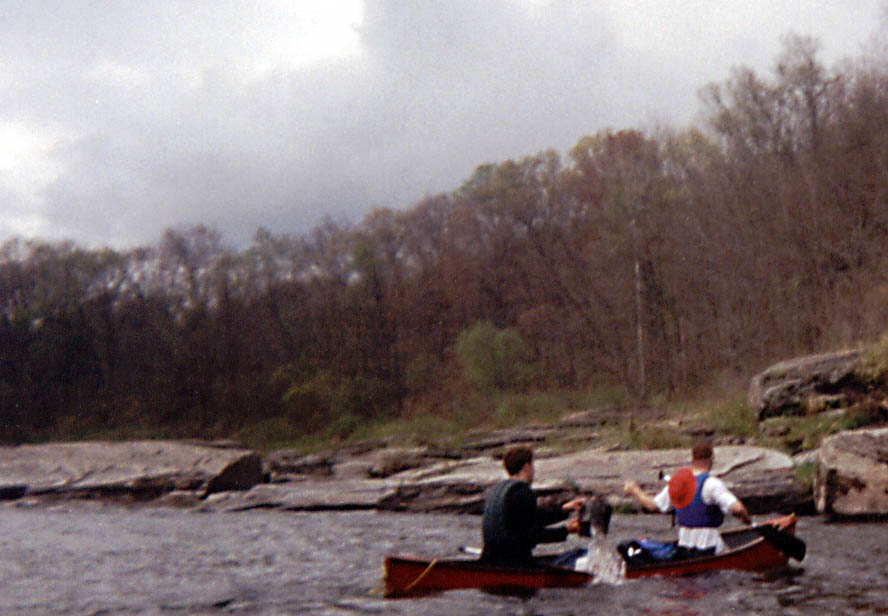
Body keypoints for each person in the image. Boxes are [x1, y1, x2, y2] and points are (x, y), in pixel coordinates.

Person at [623, 440, 752, 558]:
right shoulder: (712, 484)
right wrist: (747, 520)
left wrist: (634, 490)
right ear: (712, 459)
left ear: (692, 459)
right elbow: (738, 508)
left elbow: (652, 505)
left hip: (684, 550)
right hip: (709, 549)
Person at [480, 445, 585, 566]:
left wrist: (564, 509)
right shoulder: (522, 491)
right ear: (526, 466)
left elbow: (531, 518)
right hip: (515, 563)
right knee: (579, 554)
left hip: (488, 559)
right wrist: (566, 530)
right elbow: (532, 535)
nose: (533, 471)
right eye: (532, 466)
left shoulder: (495, 490)